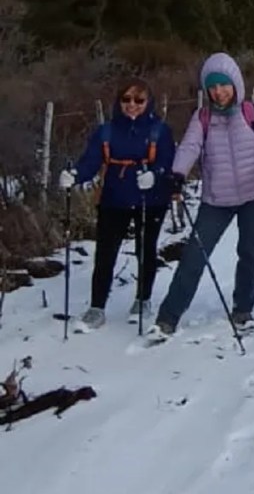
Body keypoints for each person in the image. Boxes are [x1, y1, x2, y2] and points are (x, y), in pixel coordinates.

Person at [149, 52, 254, 339]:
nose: (219, 92)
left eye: (224, 85)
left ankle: (243, 309)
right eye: (212, 86)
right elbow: (189, 147)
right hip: (216, 200)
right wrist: (178, 173)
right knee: (194, 256)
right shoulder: (203, 117)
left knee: (250, 253)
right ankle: (168, 317)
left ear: (235, 84)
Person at [58, 78, 176, 329]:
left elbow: (167, 160)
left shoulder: (160, 130)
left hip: (151, 199)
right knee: (105, 253)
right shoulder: (106, 131)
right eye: (126, 99)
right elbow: (91, 161)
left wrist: (155, 176)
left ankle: (143, 300)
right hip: (114, 198)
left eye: (139, 100)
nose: (132, 105)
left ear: (148, 102)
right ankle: (97, 307)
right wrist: (75, 175)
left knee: (146, 250)